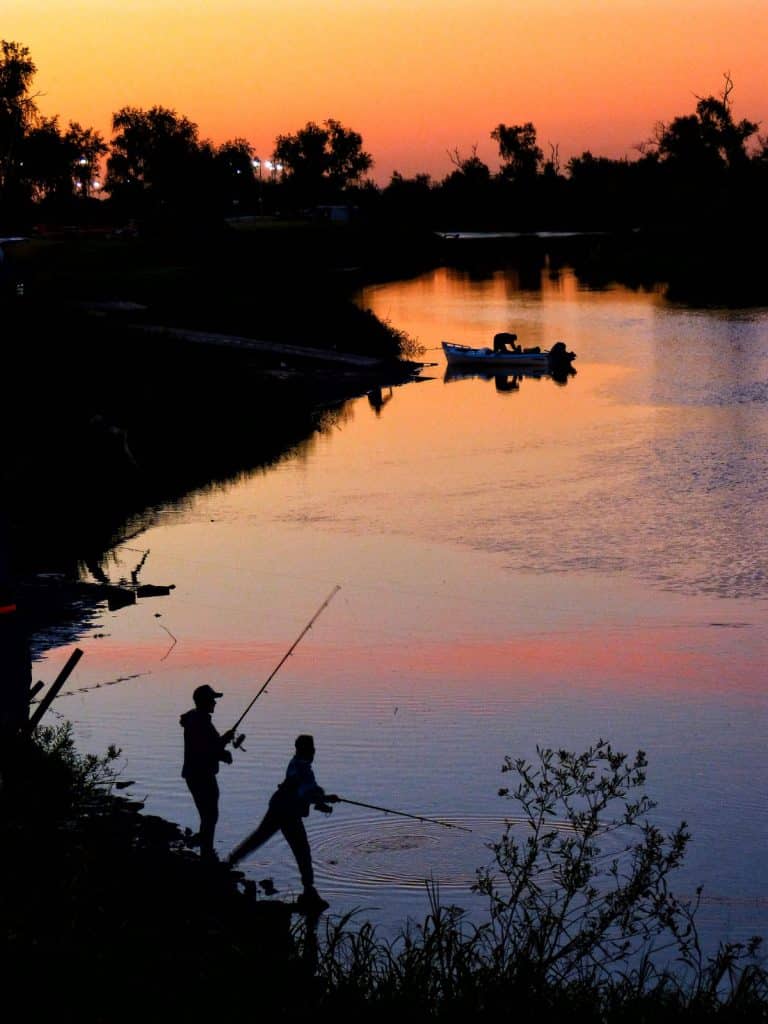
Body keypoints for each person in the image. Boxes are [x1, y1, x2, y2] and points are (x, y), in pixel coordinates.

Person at [228, 734, 339, 911]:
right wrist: (324, 799)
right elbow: (306, 793)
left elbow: (308, 790)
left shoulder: (295, 762)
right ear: (309, 751)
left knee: (259, 837)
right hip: (288, 812)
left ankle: (229, 862)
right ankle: (308, 890)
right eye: (311, 749)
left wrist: (322, 800)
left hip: (278, 806)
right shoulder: (303, 768)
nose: (313, 752)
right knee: (302, 850)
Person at [180, 684, 234, 861]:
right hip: (201, 775)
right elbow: (206, 749)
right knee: (210, 815)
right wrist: (223, 746)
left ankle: (207, 851)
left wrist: (222, 746)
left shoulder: (196, 719)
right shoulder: (200, 722)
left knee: (208, 815)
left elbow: (208, 746)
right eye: (212, 700)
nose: (215, 703)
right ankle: (207, 854)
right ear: (204, 702)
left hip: (196, 773)